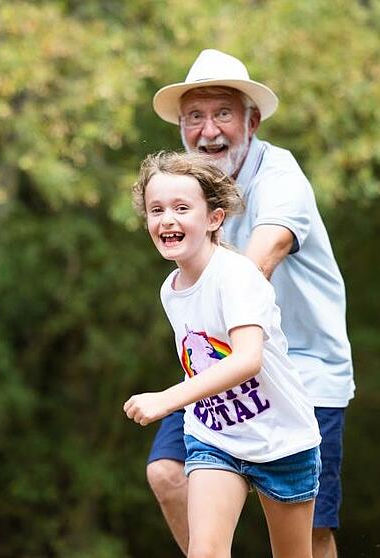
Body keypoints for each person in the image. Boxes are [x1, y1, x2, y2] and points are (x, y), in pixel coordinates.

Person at [145, 49, 355, 558]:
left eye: (222, 113)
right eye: (194, 116)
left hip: (303, 373)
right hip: (222, 368)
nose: (208, 130)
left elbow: (262, 259)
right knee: (169, 472)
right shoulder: (188, 194)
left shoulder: (280, 177)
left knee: (311, 533)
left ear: (251, 121)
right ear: (181, 127)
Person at [124, 151, 321, 558]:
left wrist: (166, 400)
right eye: (156, 210)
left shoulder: (236, 276)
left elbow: (248, 358)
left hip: (281, 441)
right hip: (216, 438)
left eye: (182, 208)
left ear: (214, 218)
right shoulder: (171, 288)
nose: (167, 220)